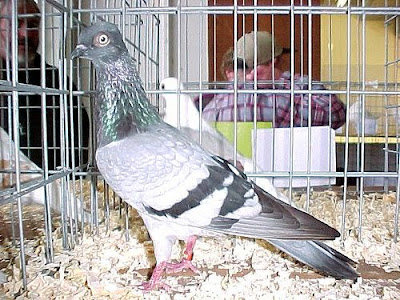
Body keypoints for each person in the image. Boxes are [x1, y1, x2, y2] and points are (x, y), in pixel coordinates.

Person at [0, 0, 90, 171]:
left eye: (33, 24)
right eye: (16, 22)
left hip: (53, 191)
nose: (25, 33)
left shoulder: (58, 83)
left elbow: (77, 160)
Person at [199, 31, 346, 129]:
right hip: (280, 174)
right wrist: (283, 81)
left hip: (232, 174)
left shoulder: (213, 104)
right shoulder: (285, 101)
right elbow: (336, 114)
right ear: (274, 62)